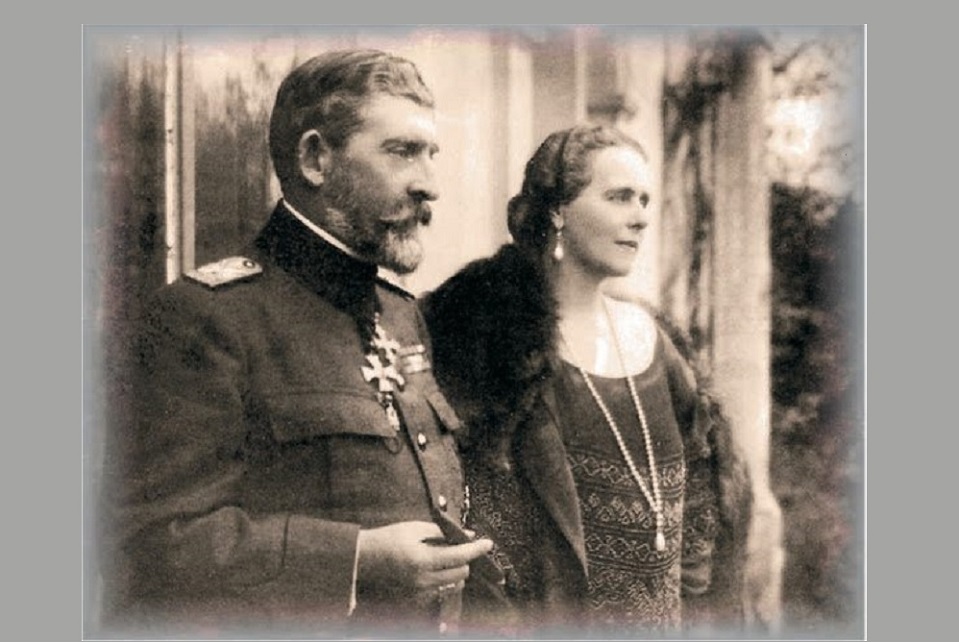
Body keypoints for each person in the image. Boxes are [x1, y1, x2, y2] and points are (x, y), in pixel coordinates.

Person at [98, 49, 499, 637]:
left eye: (430, 154)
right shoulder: (205, 318)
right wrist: (354, 562)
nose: (429, 185)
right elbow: (152, 542)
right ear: (315, 159)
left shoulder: (400, 313)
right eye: (402, 152)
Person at [422, 124, 753, 636]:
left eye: (644, 200)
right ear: (558, 211)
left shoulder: (654, 339)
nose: (640, 217)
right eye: (619, 197)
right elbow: (485, 526)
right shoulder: (493, 347)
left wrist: (691, 598)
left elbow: (705, 483)